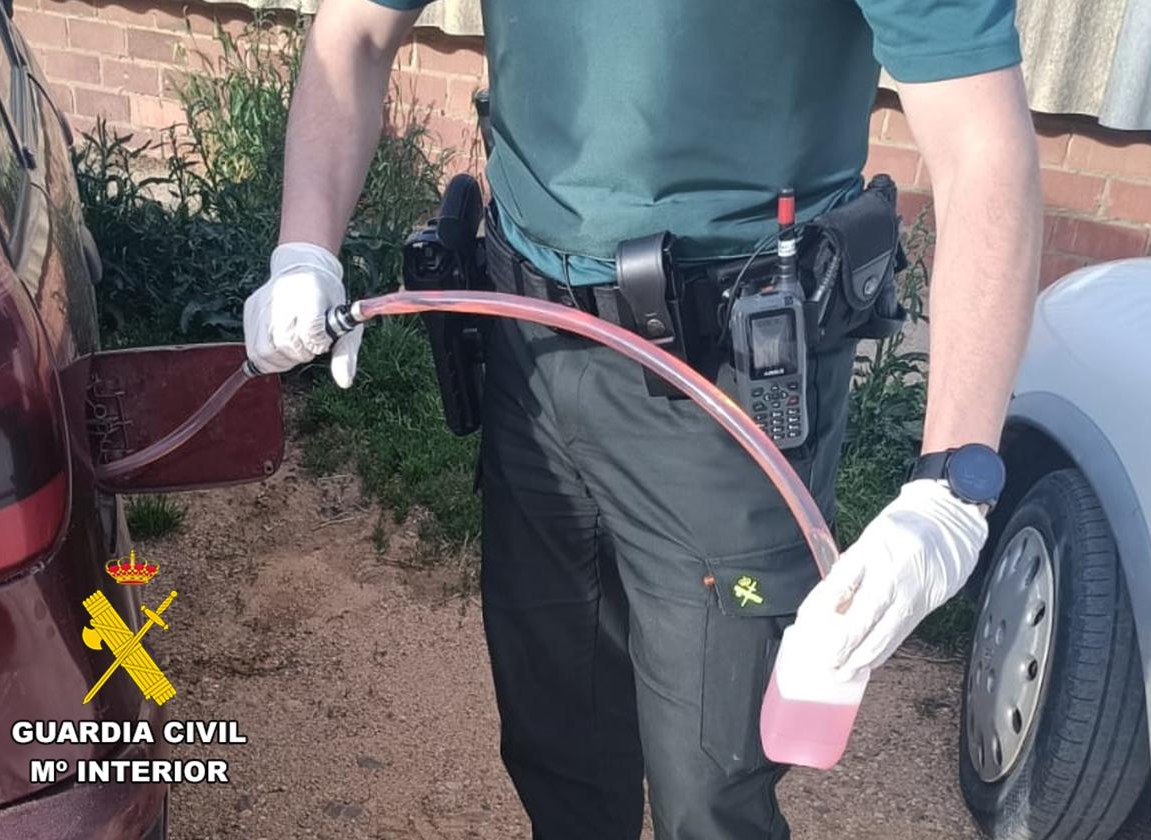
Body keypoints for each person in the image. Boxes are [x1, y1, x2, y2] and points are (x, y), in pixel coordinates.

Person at [242, 0, 1042, 836]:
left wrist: (952, 482)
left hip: (730, 387)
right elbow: (355, 31)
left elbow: (981, 147)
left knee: (713, 785)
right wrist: (304, 248)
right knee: (555, 741)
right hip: (528, 351)